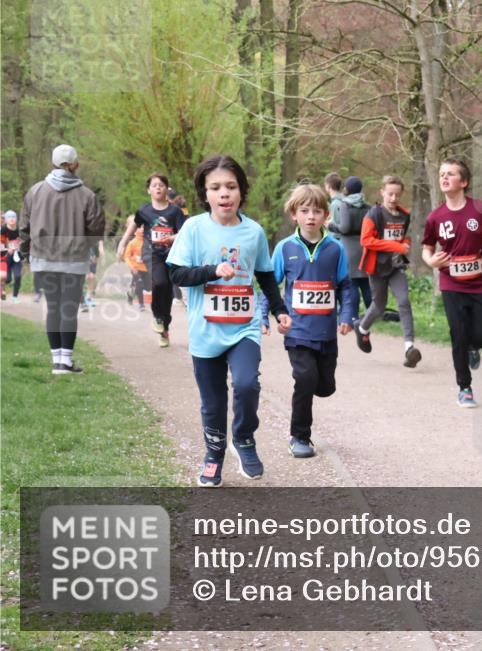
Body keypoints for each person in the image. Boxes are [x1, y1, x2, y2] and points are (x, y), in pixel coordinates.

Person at [166, 155, 291, 487]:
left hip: (244, 327)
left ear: (241, 191)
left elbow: (265, 275)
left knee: (248, 384)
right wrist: (212, 271)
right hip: (205, 331)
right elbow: (176, 273)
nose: (224, 194)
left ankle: (244, 438)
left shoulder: (254, 232)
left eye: (231, 187)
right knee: (213, 403)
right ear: (204, 194)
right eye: (215, 187)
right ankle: (214, 455)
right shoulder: (193, 228)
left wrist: (279, 309)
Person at [260, 184, 356, 458]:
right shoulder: (284, 248)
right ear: (294, 214)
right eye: (304, 211)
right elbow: (270, 284)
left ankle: (319, 387)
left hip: (326, 333)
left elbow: (346, 286)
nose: (311, 216)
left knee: (324, 387)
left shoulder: (335, 249)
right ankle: (300, 437)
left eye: (317, 211)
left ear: (326, 215)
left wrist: (347, 315)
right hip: (297, 331)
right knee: (304, 378)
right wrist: (264, 316)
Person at [20, 144, 105, 374]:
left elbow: (25, 227)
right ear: (75, 165)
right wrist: (85, 247)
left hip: (43, 259)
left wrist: (27, 252)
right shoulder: (87, 195)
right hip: (74, 261)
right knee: (68, 309)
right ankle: (65, 362)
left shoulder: (35, 191)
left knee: (53, 308)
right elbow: (96, 228)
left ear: (54, 163)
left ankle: (56, 360)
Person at [421, 158, 482, 408]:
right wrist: (431, 262)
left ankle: (474, 347)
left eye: (451, 174)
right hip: (451, 282)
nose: (444, 177)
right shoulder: (435, 217)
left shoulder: (480, 210)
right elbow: (427, 248)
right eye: (442, 173)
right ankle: (464, 387)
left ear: (463, 182)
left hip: (478, 282)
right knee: (458, 333)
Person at [353, 175, 422, 368]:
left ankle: (409, 348)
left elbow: (404, 238)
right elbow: (366, 240)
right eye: (390, 194)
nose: (393, 198)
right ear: (382, 192)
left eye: (397, 195)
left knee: (404, 301)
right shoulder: (373, 214)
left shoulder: (403, 215)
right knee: (379, 306)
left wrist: (405, 245)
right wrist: (395, 246)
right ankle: (362, 327)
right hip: (376, 267)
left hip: (395, 266)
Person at [116, 173, 186, 347]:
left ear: (166, 189)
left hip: (171, 254)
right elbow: (133, 225)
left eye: (161, 185)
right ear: (149, 190)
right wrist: (123, 242)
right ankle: (156, 316)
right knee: (159, 283)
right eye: (154, 185)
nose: (158, 187)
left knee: (168, 291)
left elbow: (184, 232)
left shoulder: (174, 211)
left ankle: (164, 327)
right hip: (151, 254)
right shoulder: (144, 210)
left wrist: (172, 238)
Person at [331, 176, 372, 320]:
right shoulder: (368, 206)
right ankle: (373, 312)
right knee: (366, 283)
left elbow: (345, 227)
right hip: (365, 246)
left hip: (349, 247)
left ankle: (353, 315)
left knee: (353, 282)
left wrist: (330, 225)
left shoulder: (345, 205)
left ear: (347, 189)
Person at [124, 219, 149, 311]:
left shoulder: (148, 242)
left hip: (146, 268)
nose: (142, 230)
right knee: (139, 284)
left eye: (143, 228)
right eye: (139, 228)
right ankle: (141, 305)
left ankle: (130, 294)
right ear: (135, 231)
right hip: (135, 268)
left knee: (147, 287)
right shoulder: (132, 243)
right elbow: (126, 256)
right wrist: (132, 266)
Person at [1, 211, 23, 303]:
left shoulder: (20, 229)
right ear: (6, 219)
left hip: (17, 257)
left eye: (13, 217)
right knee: (8, 279)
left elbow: (25, 241)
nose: (12, 219)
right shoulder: (3, 230)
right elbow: (1, 243)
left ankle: (15, 297)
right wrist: (7, 247)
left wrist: (22, 244)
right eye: (9, 217)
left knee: (18, 276)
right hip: (6, 258)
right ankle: (2, 288)